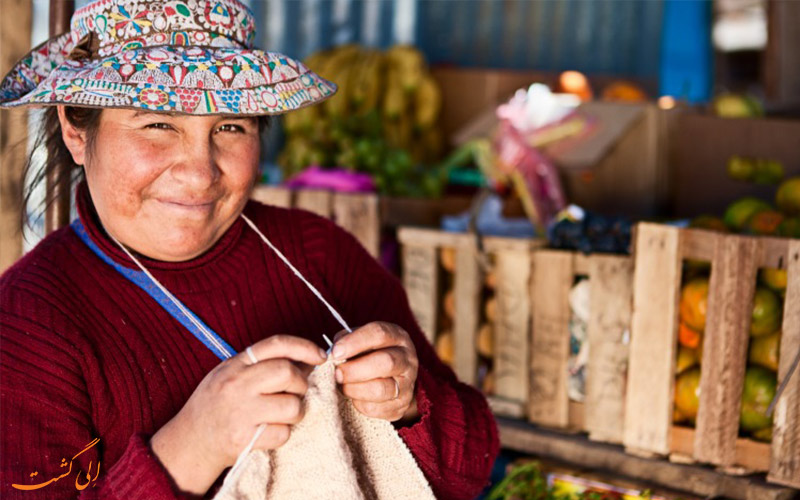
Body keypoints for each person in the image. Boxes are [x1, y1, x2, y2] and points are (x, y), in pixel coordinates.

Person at [0, 0, 499, 499]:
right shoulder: (27, 324)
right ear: (74, 130)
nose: (200, 172)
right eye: (157, 123)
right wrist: (191, 447)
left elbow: (472, 466)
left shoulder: (319, 254)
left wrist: (408, 403)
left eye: (230, 127)